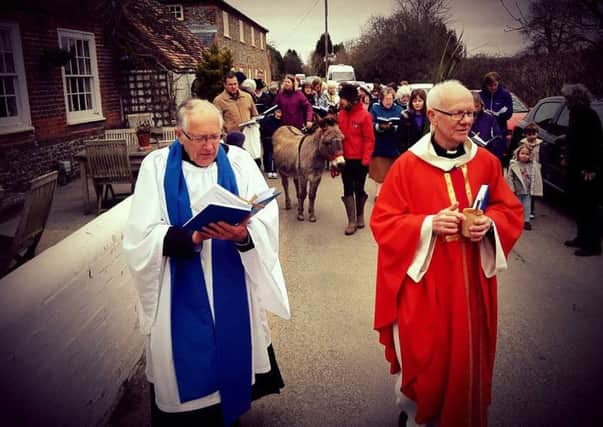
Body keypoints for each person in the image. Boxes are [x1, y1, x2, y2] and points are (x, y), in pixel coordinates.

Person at [123, 99, 290, 427]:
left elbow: (264, 212)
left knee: (234, 359)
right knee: (185, 372)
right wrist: (191, 238)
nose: (210, 146)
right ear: (179, 134)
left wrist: (243, 233)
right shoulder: (156, 167)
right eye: (200, 138)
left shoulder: (239, 161)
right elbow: (140, 233)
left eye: (216, 136)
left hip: (233, 280)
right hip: (178, 286)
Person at [370, 80, 524, 427]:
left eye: (470, 112)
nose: (466, 120)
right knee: (428, 357)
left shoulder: (485, 161)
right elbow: (383, 222)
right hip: (427, 286)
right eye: (457, 113)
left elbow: (508, 209)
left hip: (472, 283)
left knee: (468, 358)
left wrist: (488, 225)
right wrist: (428, 225)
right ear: (433, 117)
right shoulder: (407, 166)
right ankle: (416, 415)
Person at [561, 83, 603, 256]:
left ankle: (592, 245)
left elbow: (595, 144)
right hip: (575, 166)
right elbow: (573, 139)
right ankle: (581, 237)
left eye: (567, 98)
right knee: (579, 205)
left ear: (575, 98)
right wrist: (566, 157)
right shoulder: (575, 114)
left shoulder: (588, 115)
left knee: (589, 207)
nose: (565, 101)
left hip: (587, 170)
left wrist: (591, 168)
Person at [338, 84, 375, 235]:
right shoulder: (341, 115)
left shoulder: (365, 116)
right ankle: (351, 221)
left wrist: (366, 159)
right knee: (347, 188)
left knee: (359, 188)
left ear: (352, 100)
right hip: (345, 159)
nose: (341, 101)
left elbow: (369, 139)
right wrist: (336, 158)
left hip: (360, 160)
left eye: (343, 99)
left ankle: (360, 216)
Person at [369, 86, 403, 198]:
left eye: (391, 99)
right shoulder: (375, 108)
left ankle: (391, 194)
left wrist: (395, 127)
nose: (388, 102)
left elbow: (403, 124)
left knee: (393, 171)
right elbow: (370, 123)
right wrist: (379, 126)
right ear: (381, 99)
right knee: (380, 171)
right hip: (379, 144)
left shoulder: (399, 109)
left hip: (393, 144)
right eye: (386, 99)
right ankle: (379, 194)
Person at [506, 143, 543, 230]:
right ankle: (515, 220)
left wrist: (534, 189)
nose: (524, 156)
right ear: (518, 154)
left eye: (527, 154)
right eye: (522, 153)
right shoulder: (514, 165)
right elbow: (509, 177)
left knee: (527, 206)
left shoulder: (532, 165)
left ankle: (526, 221)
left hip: (527, 190)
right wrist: (511, 188)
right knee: (516, 206)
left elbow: (536, 177)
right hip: (517, 190)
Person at [517, 123, 543, 219]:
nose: (531, 136)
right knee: (522, 189)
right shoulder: (522, 144)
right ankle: (520, 209)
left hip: (535, 170)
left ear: (537, 134)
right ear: (525, 134)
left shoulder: (540, 144)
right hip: (523, 169)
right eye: (529, 134)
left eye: (534, 134)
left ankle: (530, 210)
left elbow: (542, 157)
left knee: (532, 190)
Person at [470, 92, 504, 163]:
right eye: (473, 107)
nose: (475, 109)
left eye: (477, 106)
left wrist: (491, 145)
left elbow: (497, 135)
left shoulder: (489, 117)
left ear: (481, 105)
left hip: (486, 152)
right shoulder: (464, 117)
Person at [479, 71, 513, 138]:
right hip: (483, 129)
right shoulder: (480, 95)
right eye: (490, 86)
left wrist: (496, 118)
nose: (493, 88)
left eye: (495, 85)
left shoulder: (505, 95)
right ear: (486, 85)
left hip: (500, 129)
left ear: (498, 83)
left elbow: (509, 112)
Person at [398, 88, 429, 154]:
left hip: (426, 152)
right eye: (414, 101)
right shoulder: (405, 116)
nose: (417, 103)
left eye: (420, 101)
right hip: (410, 152)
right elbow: (400, 137)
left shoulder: (429, 116)